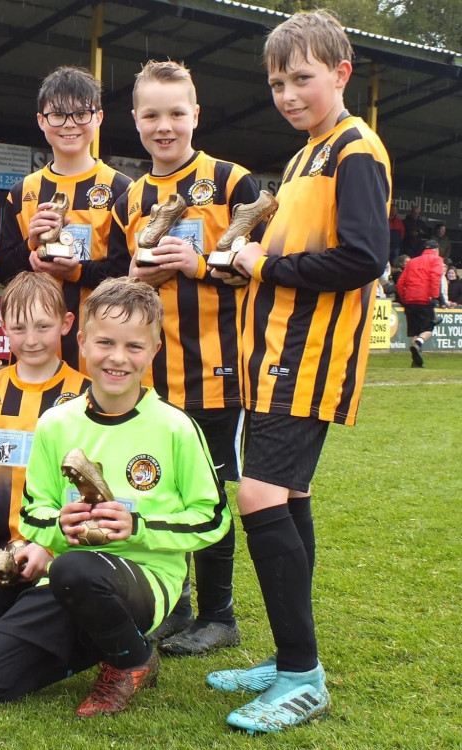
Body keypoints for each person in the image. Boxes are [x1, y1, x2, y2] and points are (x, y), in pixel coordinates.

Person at [206, 10, 391, 733]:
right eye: (278, 82)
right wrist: (239, 264)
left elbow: (364, 258)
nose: (287, 93)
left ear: (341, 74)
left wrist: (267, 265)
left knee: (257, 497)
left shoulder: (355, 151)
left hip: (307, 359)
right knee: (289, 494)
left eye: (302, 78)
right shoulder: (305, 155)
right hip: (276, 354)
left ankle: (302, 676)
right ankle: (291, 660)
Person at [0, 277, 230, 716]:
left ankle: (131, 662)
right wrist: (58, 524)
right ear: (81, 341)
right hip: (66, 578)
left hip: (144, 578)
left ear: (154, 350)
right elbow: (33, 511)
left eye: (134, 347)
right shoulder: (57, 424)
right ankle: (108, 643)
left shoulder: (175, 427)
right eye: (105, 343)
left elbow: (213, 519)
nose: (118, 358)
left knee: (77, 568)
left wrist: (139, 526)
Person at [110, 59, 265, 657]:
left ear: (196, 115)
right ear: (136, 120)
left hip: (218, 374)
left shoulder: (232, 183)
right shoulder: (133, 195)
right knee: (159, 492)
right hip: (152, 378)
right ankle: (174, 606)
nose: (164, 126)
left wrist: (196, 264)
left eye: (176, 113)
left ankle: (220, 614)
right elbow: (126, 280)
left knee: (211, 494)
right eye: (152, 114)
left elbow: (258, 271)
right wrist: (134, 271)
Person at [0, 272, 89, 652]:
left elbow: (92, 488)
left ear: (65, 324)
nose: (31, 340)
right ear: (3, 328)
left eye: (43, 326)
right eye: (19, 327)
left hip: (57, 551)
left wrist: (51, 548)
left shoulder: (85, 395)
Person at [0, 66, 133, 373]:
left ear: (98, 117)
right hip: (32, 355)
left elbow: (127, 276)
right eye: (58, 115)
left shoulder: (123, 190)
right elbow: (2, 271)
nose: (69, 124)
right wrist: (28, 249)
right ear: (41, 121)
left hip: (99, 351)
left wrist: (76, 272)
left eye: (80, 113)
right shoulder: (21, 192)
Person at [396, 239, 444, 367]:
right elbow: (435, 278)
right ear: (436, 250)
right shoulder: (436, 260)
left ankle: (415, 361)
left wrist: (404, 299)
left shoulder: (412, 262)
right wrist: (434, 296)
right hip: (424, 299)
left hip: (410, 300)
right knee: (428, 328)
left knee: (417, 331)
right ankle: (418, 344)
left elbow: (400, 283)